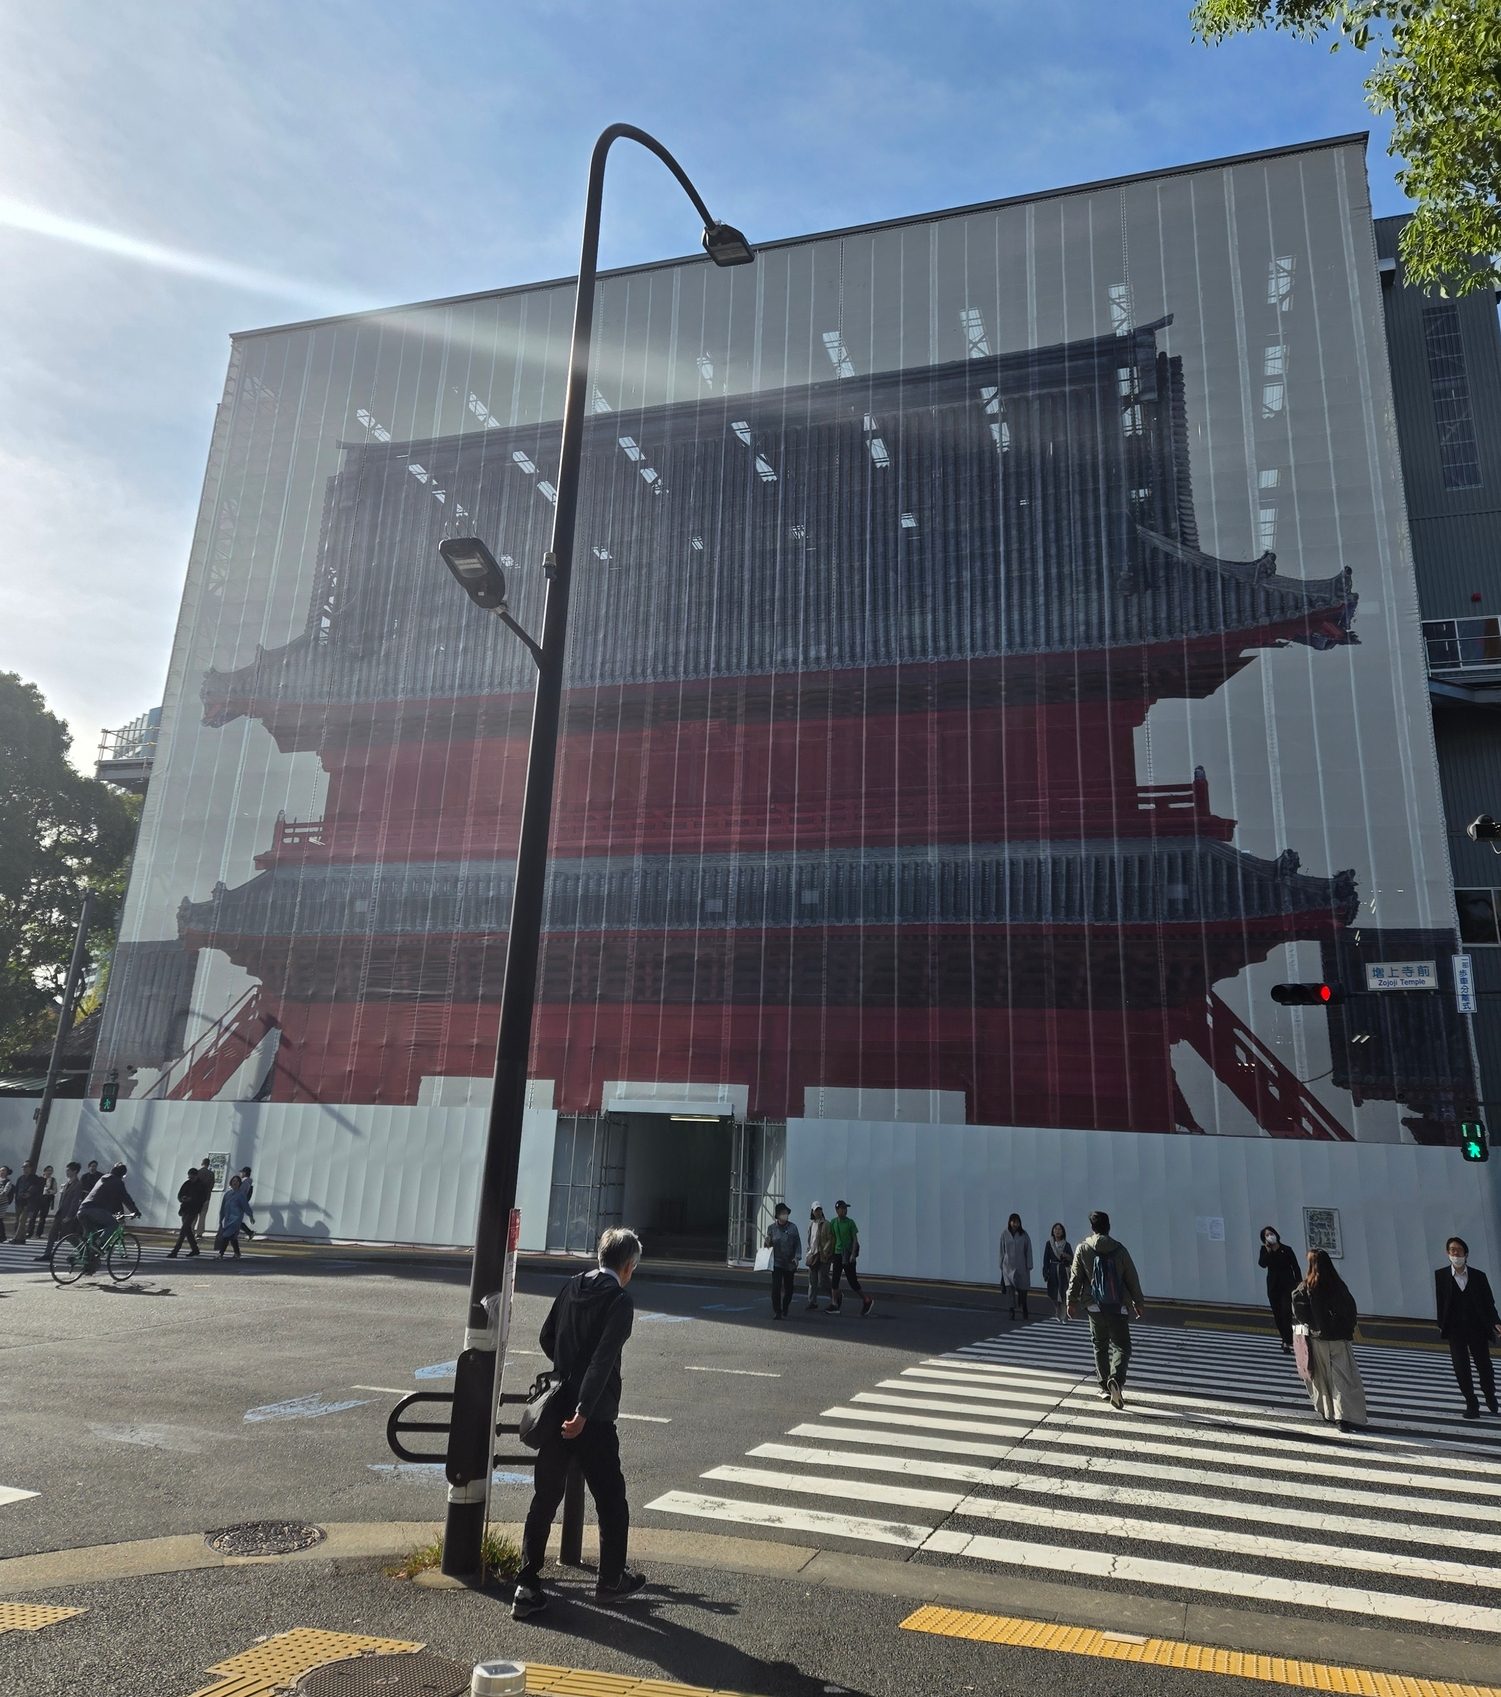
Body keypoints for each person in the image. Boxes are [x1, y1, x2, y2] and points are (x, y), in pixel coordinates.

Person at [513, 1227, 645, 1620]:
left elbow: (546, 1336)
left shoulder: (571, 1286)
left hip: (556, 1409)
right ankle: (609, 1581)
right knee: (611, 1500)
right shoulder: (619, 1300)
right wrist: (584, 1411)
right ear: (626, 1266)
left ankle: (526, 1584)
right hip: (593, 1418)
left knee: (545, 1498)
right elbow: (604, 1360)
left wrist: (566, 1372)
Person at [1067, 1210, 1145, 1409]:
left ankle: (1104, 1386)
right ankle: (1116, 1380)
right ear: (1108, 1227)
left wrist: (1071, 1301)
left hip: (1093, 1305)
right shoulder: (1119, 1250)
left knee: (1099, 1344)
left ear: (1092, 1228)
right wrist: (1138, 1303)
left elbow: (1075, 1278)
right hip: (1117, 1306)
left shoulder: (1083, 1248)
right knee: (1122, 1346)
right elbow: (1132, 1278)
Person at [1291, 1249, 1367, 1431]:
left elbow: (1299, 1314)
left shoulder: (1305, 1287)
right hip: (1339, 1339)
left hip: (1318, 1339)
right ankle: (1344, 1416)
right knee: (1343, 1379)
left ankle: (1329, 1412)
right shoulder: (1338, 1285)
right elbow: (1351, 1310)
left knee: (1322, 1379)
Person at [1435, 1236, 1501, 1419]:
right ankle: (1472, 1404)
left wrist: (1496, 1322)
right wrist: (1442, 1325)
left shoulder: (1478, 1276)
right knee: (1461, 1368)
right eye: (1452, 1250)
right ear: (1448, 1253)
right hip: (1455, 1330)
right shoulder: (1441, 1276)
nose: (1455, 1253)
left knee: (1485, 1366)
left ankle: (1490, 1395)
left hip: (1477, 1327)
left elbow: (1489, 1303)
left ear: (1466, 1254)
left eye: (1459, 1250)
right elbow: (1441, 1302)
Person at [76, 1163, 142, 1265]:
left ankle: (86, 1262)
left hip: (82, 1210)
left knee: (92, 1236)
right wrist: (135, 1212)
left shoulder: (103, 1178)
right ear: (123, 1175)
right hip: (95, 1210)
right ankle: (100, 1243)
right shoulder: (118, 1182)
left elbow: (107, 1197)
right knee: (113, 1225)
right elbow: (125, 1198)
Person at [1259, 1226, 1302, 1354]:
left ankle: (1287, 1339)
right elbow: (1262, 1264)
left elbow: (1295, 1266)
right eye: (1267, 1235)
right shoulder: (1265, 1250)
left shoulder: (1287, 1250)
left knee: (1286, 1312)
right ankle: (1285, 1341)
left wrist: (1299, 1281)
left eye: (1271, 1233)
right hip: (1273, 1286)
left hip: (1287, 1285)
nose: (1270, 1236)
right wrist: (1268, 1251)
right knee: (1277, 1314)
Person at [828, 1200, 872, 1316]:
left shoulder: (850, 1223)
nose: (845, 1210)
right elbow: (833, 1239)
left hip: (847, 1254)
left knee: (852, 1281)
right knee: (835, 1279)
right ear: (837, 1210)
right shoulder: (833, 1222)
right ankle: (834, 1303)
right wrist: (830, 1253)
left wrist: (853, 1254)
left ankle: (866, 1300)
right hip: (838, 1253)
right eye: (842, 1208)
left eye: (845, 1208)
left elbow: (854, 1240)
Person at [763, 1203, 801, 1320]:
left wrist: (797, 1257)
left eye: (786, 1213)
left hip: (789, 1263)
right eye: (782, 1213)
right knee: (776, 1286)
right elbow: (766, 1247)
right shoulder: (772, 1228)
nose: (785, 1215)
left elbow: (797, 1244)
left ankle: (785, 1306)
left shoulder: (793, 1228)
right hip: (777, 1262)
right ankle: (777, 1310)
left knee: (789, 1288)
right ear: (778, 1215)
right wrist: (767, 1242)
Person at [40, 1162, 84, 1262]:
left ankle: (83, 1250)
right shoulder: (68, 1183)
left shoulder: (78, 1184)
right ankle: (47, 1254)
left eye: (69, 1170)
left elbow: (75, 1202)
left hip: (68, 1214)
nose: (67, 1172)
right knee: (52, 1233)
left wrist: (70, 1216)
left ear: (75, 1171)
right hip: (61, 1212)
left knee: (68, 1235)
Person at [1000, 1213, 1033, 1321]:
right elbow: (1001, 1249)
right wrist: (1001, 1264)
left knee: (1023, 1290)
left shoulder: (1024, 1234)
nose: (1015, 1224)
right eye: (1013, 1222)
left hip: (1021, 1265)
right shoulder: (1004, 1234)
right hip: (1008, 1266)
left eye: (1017, 1222)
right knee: (1010, 1290)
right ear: (1010, 1222)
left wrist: (1029, 1265)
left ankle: (1024, 1307)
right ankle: (1011, 1311)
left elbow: (1028, 1250)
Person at [167, 1167, 204, 1257]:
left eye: (192, 1178)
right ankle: (195, 1249)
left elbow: (202, 1198)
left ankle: (175, 1250)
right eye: (189, 1178)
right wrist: (182, 1198)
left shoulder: (201, 1185)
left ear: (196, 1176)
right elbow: (179, 1195)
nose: (190, 1179)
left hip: (194, 1209)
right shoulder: (187, 1184)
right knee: (187, 1230)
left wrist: (191, 1199)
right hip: (185, 1209)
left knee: (184, 1229)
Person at [215, 1173, 254, 1259]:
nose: (235, 1183)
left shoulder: (241, 1195)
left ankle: (221, 1254)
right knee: (233, 1237)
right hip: (228, 1218)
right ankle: (237, 1253)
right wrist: (221, 1217)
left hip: (236, 1219)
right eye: (233, 1181)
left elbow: (245, 1206)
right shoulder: (227, 1194)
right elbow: (223, 1207)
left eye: (236, 1181)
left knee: (226, 1235)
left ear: (240, 1183)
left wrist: (250, 1215)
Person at [804, 1202, 833, 1311]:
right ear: (812, 1211)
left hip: (823, 1255)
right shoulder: (811, 1224)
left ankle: (835, 1297)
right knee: (812, 1280)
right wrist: (808, 1252)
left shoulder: (826, 1224)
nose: (818, 1212)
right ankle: (812, 1302)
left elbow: (831, 1239)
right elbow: (810, 1240)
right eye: (816, 1210)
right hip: (813, 1254)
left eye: (820, 1210)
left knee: (823, 1279)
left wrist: (827, 1251)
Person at [1042, 1223, 1072, 1322]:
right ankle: (1058, 1311)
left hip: (1063, 1271)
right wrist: (1045, 1273)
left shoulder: (1066, 1245)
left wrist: (1067, 1256)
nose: (1057, 1231)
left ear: (1063, 1232)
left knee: (1063, 1293)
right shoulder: (1049, 1244)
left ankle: (1064, 1315)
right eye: (1055, 1229)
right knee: (1054, 1293)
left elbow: (1072, 1258)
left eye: (1059, 1229)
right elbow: (1046, 1259)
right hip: (1053, 1270)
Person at [11, 1161, 43, 1244]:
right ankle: (22, 1238)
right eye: (23, 1167)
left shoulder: (34, 1178)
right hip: (19, 1202)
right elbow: (17, 1190)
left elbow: (35, 1188)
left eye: (26, 1166)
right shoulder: (20, 1178)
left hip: (28, 1202)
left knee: (22, 1220)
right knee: (18, 1220)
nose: (24, 1168)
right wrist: (17, 1199)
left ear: (30, 1168)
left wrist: (29, 1193)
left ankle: (16, 1238)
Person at [194, 1157, 217, 1238]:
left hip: (196, 1198)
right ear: (208, 1164)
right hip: (206, 1197)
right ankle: (199, 1233)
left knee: (194, 1215)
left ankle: (191, 1231)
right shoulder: (211, 1174)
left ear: (202, 1163)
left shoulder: (197, 1172)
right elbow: (211, 1186)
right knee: (202, 1216)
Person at [34, 1165, 56, 1239]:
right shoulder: (39, 1179)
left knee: (43, 1217)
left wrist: (49, 1191)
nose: (49, 1172)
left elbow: (55, 1190)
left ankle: (38, 1233)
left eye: (51, 1170)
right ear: (45, 1171)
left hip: (46, 1198)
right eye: (48, 1170)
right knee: (33, 1215)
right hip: (38, 1198)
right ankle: (29, 1231)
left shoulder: (53, 1180)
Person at [0, 1166, 12, 1241]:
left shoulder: (8, 1182)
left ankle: (2, 1236)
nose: (2, 1172)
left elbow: (5, 1191)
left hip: (3, 1203)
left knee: (0, 1219)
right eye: (1, 1170)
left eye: (4, 1170)